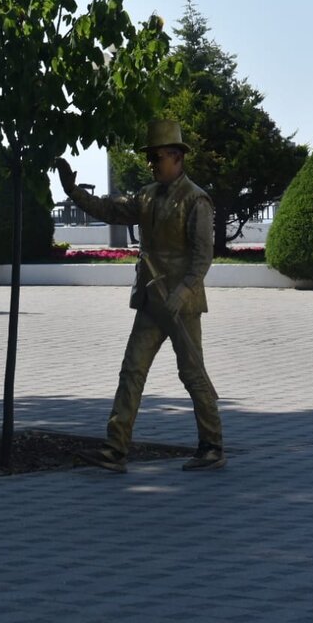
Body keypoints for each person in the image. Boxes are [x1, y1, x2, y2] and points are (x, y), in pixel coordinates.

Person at [55, 120, 226, 473]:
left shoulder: (196, 199)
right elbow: (110, 209)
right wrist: (73, 192)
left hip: (181, 303)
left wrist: (183, 290)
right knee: (132, 370)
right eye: (150, 158)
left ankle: (211, 446)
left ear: (177, 157)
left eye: (157, 157)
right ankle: (115, 448)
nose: (152, 164)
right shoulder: (147, 195)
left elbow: (202, 256)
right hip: (151, 299)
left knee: (192, 373)